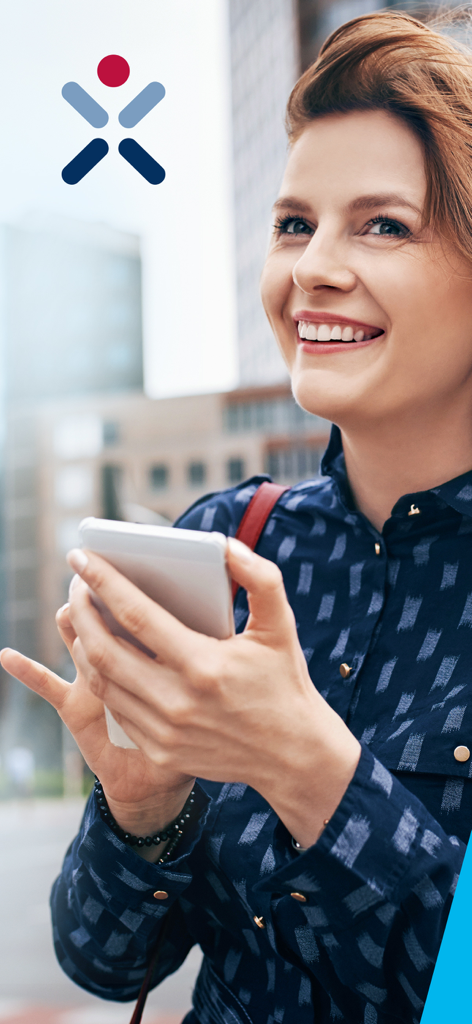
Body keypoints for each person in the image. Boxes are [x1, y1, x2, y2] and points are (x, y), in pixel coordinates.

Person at [3, 9, 472, 1022]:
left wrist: (308, 768)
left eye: (383, 225)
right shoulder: (229, 542)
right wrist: (142, 812)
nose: (311, 268)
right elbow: (103, 963)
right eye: (294, 224)